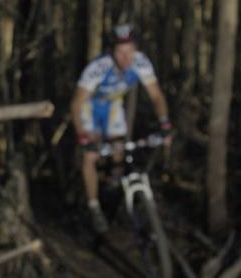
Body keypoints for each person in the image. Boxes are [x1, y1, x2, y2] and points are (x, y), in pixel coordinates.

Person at [70, 24, 172, 233]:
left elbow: (156, 96)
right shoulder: (99, 67)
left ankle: (114, 191)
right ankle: (93, 207)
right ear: (111, 51)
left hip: (113, 106)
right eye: (120, 52)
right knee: (90, 156)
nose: (126, 57)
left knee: (120, 153)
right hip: (90, 108)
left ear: (136, 49)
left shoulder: (141, 62)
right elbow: (76, 104)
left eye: (130, 51)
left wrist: (165, 124)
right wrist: (83, 137)